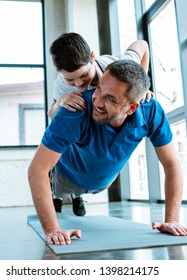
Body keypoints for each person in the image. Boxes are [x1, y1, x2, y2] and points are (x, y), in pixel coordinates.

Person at [28, 60, 187, 245]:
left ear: (132, 108)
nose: (97, 101)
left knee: (94, 180)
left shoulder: (150, 111)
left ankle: (76, 196)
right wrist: (52, 229)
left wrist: (171, 220)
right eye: (99, 89)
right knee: (58, 190)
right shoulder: (74, 111)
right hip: (68, 176)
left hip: (103, 179)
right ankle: (62, 194)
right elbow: (36, 170)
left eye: (111, 99)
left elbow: (171, 164)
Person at [48, 32, 154, 214]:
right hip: (82, 125)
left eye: (83, 75)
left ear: (92, 56)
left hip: (106, 121)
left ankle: (77, 196)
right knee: (73, 159)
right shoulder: (63, 85)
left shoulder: (120, 66)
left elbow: (142, 45)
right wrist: (61, 101)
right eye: (70, 79)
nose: (79, 83)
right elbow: (51, 114)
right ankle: (57, 195)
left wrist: (141, 88)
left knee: (96, 160)